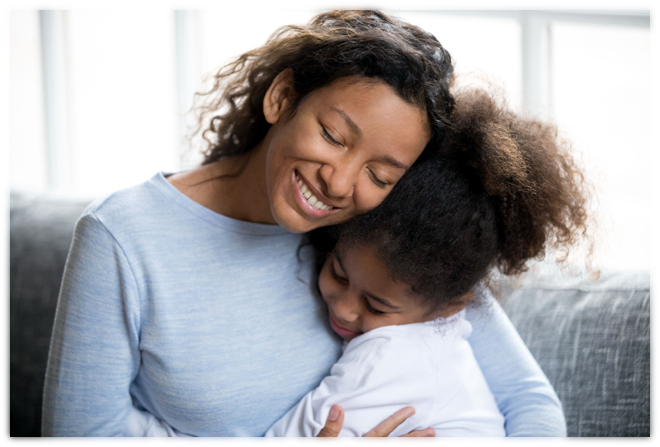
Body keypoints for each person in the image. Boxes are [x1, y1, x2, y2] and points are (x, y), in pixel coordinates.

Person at [42, 11, 571, 439]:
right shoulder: (122, 238)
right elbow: (79, 434)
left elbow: (532, 406)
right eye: (334, 136)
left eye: (380, 173)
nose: (340, 183)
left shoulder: (382, 233)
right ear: (281, 98)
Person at [265, 88, 588, 438]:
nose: (343, 308)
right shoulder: (400, 276)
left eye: (377, 306)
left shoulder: (386, 353)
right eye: (338, 274)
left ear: (452, 306)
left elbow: (531, 400)